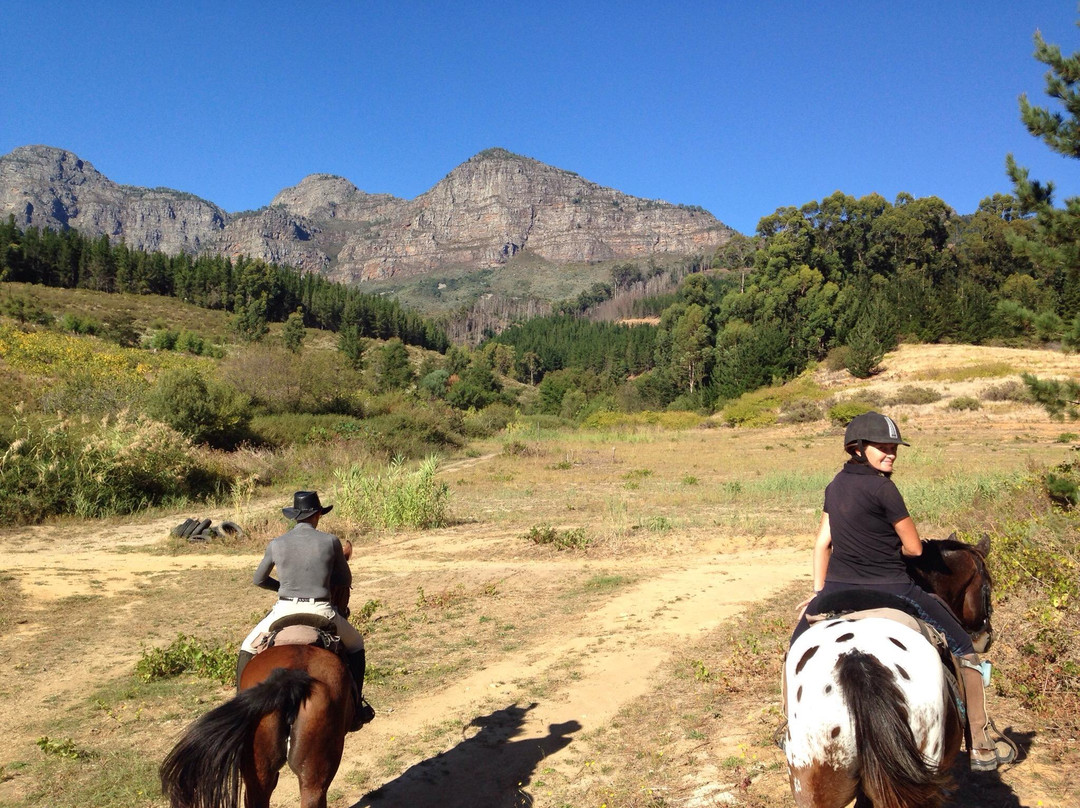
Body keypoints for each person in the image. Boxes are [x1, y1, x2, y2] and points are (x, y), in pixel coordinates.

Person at [791, 412, 1015, 771]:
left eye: (893, 447)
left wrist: (819, 592)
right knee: (964, 647)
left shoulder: (834, 486)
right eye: (882, 447)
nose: (891, 453)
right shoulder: (884, 489)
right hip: (893, 588)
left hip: (836, 589)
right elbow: (913, 548)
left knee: (794, 651)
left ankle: (789, 726)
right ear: (858, 448)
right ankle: (981, 741)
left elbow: (822, 544)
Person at [237, 490, 375, 730]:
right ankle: (357, 708)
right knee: (357, 645)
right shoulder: (330, 541)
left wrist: (283, 588)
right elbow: (344, 579)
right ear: (318, 514)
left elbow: (258, 579)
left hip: (284, 608)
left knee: (247, 647)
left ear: (294, 516)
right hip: (321, 609)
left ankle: (240, 707)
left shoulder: (277, 543)